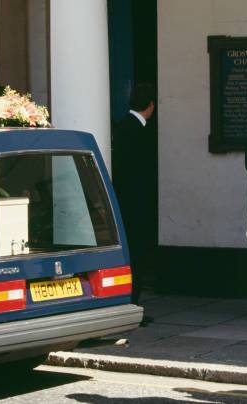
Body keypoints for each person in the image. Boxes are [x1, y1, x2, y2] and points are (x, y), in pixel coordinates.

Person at [112, 83, 155, 309]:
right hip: (136, 204)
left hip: (124, 201)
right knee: (136, 254)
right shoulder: (139, 131)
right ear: (151, 106)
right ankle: (133, 303)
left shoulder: (121, 127)